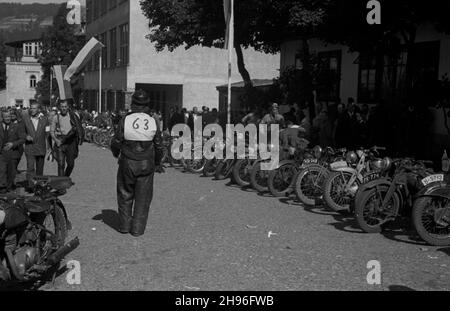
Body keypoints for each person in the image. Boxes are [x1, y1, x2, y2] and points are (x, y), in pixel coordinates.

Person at [110, 90, 165, 237]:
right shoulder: (153, 120)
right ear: (147, 104)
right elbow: (159, 145)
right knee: (143, 198)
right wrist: (158, 162)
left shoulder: (126, 119)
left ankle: (124, 226)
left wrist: (117, 154)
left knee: (124, 193)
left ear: (133, 103)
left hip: (127, 161)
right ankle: (137, 229)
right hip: (147, 163)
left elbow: (116, 141)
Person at [50, 100, 84, 177]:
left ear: (68, 107)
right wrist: (56, 140)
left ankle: (65, 177)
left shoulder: (73, 116)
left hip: (70, 142)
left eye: (65, 106)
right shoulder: (56, 117)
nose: (64, 108)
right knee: (61, 164)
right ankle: (61, 185)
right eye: (62, 107)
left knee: (71, 164)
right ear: (59, 107)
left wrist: (79, 138)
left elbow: (79, 127)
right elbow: (52, 131)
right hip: (60, 142)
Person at [22, 103, 49, 186]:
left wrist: (49, 148)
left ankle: (38, 186)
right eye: (31, 108)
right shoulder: (26, 119)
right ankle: (31, 186)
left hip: (41, 147)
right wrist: (26, 136)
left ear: (38, 109)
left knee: (40, 169)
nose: (32, 110)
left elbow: (48, 134)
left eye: (34, 108)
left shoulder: (45, 120)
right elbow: (21, 132)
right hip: (30, 147)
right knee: (30, 168)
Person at [0, 111, 26, 192]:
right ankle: (2, 187)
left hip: (12, 153)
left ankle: (9, 186)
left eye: (9, 116)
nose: (7, 118)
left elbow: (22, 139)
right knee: (2, 170)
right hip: (2, 153)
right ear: (2, 117)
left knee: (11, 172)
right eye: (5, 117)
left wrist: (13, 144)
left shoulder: (16, 126)